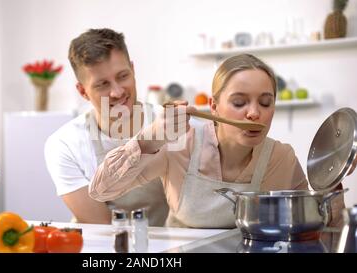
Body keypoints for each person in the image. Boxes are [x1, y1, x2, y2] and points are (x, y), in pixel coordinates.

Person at [89, 53, 351, 228]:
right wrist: (149, 138)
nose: (253, 112)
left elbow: (318, 221)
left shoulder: (280, 157)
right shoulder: (181, 146)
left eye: (265, 102)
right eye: (239, 102)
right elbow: (101, 190)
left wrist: (333, 171)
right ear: (213, 107)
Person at [44, 28, 169, 225]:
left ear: (133, 70)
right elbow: (100, 226)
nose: (117, 92)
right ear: (83, 91)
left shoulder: (172, 125)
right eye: (102, 84)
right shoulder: (65, 144)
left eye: (122, 76)